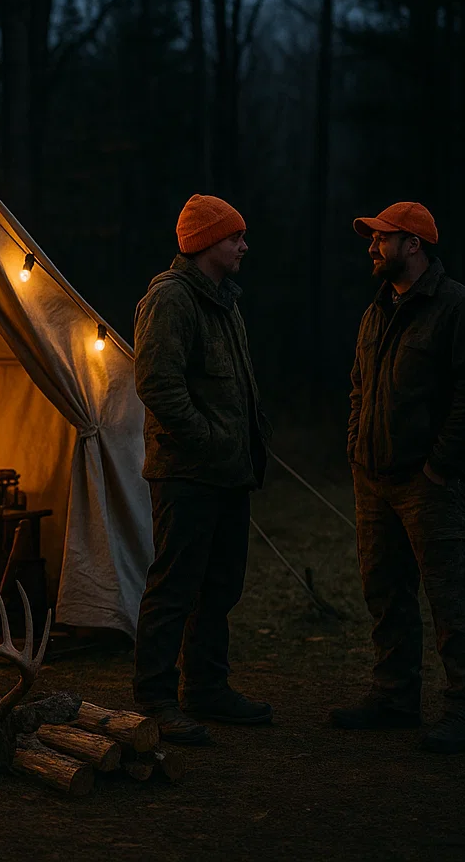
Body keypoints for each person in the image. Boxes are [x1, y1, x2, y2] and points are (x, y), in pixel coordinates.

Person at [330, 202, 465, 754]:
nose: (372, 247)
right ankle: (395, 696)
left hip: (427, 484)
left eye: (383, 239)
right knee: (385, 592)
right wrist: (357, 446)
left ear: (414, 245)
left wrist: (439, 466)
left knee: (451, 596)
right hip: (373, 478)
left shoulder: (458, 309)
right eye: (373, 238)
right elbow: (359, 384)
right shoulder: (376, 311)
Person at [131, 194, 272, 746]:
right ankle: (156, 697)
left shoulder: (224, 302)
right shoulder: (170, 300)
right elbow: (158, 385)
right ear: (208, 242)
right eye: (235, 237)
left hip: (227, 473)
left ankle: (207, 689)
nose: (243, 246)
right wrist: (208, 442)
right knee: (174, 586)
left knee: (220, 586)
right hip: (187, 473)